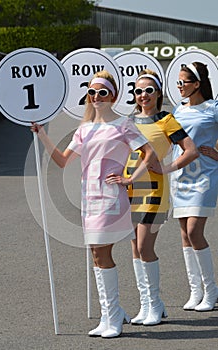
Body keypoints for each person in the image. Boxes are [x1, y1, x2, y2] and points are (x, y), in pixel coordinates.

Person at [31, 70, 157, 338]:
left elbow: (149, 153)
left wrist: (129, 177)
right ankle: (111, 314)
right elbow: (63, 161)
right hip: (88, 198)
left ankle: (113, 317)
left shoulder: (123, 125)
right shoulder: (84, 129)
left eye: (102, 92)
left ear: (113, 96)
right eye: (92, 92)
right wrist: (42, 135)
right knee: (96, 255)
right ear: (87, 96)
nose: (96, 97)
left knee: (102, 253)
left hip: (111, 197)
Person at [120, 69, 198, 326]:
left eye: (149, 90)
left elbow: (191, 151)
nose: (143, 95)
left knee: (145, 246)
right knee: (134, 247)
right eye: (139, 91)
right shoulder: (128, 121)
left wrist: (166, 168)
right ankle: (148, 305)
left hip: (154, 189)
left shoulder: (167, 120)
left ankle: (154, 303)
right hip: (129, 190)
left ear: (158, 94)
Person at [170, 62, 218, 311]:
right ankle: (195, 290)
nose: (179, 86)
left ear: (197, 84)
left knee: (194, 232)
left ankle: (211, 292)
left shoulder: (213, 108)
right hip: (180, 177)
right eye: (178, 82)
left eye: (183, 82)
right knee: (184, 235)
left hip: (205, 177)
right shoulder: (178, 110)